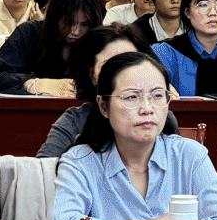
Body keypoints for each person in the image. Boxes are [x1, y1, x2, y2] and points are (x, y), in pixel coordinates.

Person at [49, 50, 217, 220]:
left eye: (157, 95)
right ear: (104, 106)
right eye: (132, 97)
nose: (147, 108)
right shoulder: (80, 161)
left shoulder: (189, 155)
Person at [38, 27, 181, 160]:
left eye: (131, 63)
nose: (124, 74)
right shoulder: (75, 121)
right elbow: (45, 169)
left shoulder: (161, 117)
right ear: (92, 75)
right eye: (110, 65)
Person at [0, 0, 105, 96]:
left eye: (85, 24)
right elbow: (0, 78)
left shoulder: (101, 42)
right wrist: (38, 84)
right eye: (68, 22)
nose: (75, 32)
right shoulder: (29, 33)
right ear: (55, 16)